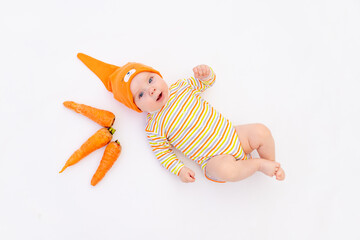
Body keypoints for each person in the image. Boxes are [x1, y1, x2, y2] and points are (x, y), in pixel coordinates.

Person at [77, 53, 285, 183]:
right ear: (137, 107)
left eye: (150, 80)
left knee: (261, 131)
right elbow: (163, 154)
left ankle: (271, 165)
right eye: (140, 94)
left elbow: (206, 84)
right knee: (227, 171)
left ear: (159, 76)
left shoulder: (181, 87)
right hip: (212, 160)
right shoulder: (154, 126)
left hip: (233, 135)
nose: (150, 90)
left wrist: (206, 75)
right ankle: (258, 166)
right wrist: (180, 170)